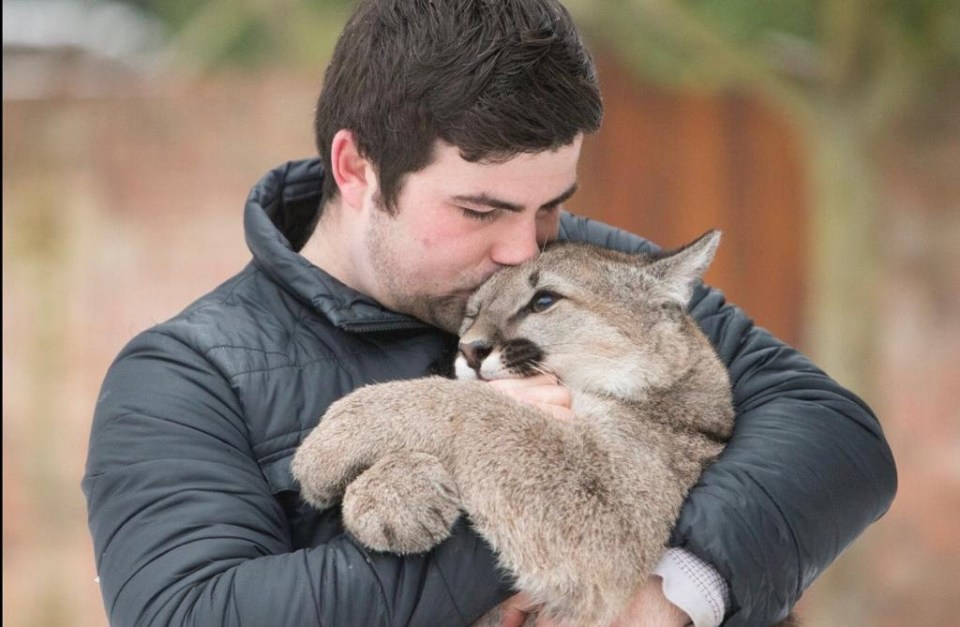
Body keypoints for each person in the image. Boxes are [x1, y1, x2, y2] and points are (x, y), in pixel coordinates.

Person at [82, 0, 897, 625]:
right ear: (356, 166)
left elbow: (834, 434)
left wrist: (675, 593)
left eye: (550, 206)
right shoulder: (184, 377)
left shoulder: (574, 263)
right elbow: (187, 614)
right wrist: (508, 459)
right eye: (481, 210)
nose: (522, 250)